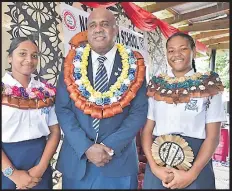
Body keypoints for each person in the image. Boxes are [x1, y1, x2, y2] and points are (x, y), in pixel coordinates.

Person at [55, 7, 148, 189]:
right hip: (77, 160)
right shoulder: (71, 64)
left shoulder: (134, 66)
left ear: (116, 30)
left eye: (105, 24)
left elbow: (139, 112)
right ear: (87, 30)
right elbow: (63, 109)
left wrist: (110, 146)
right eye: (93, 25)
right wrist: (86, 147)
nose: (98, 29)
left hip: (118, 162)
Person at [141, 32, 226, 189]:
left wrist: (191, 174)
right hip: (159, 163)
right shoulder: (156, 85)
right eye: (171, 50)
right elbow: (147, 131)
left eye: (183, 49)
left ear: (193, 51)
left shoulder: (209, 84)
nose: (176, 55)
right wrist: (154, 167)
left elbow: (213, 137)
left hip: (196, 161)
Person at [1, 37, 61, 189]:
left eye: (34, 55)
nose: (29, 60)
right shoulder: (2, 90)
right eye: (22, 53)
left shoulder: (45, 91)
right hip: (6, 162)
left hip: (40, 159)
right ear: (10, 58)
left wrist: (41, 168)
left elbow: (55, 132)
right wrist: (12, 174)